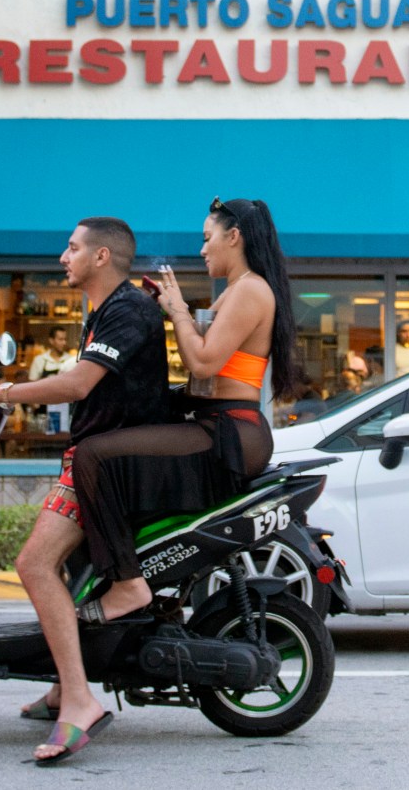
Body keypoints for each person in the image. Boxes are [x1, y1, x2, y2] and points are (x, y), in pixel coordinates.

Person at [0, 218, 170, 765]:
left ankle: (79, 700)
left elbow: (77, 384)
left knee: (33, 565)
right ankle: (62, 684)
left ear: (101, 256)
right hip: (94, 455)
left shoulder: (127, 309)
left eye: (71, 248)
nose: (61, 256)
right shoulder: (102, 309)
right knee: (73, 576)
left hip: (110, 464)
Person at [94, 195, 287, 624]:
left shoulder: (251, 290)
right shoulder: (235, 292)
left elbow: (203, 362)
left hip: (228, 432)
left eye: (207, 238)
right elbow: (202, 373)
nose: (201, 250)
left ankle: (127, 586)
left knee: (95, 456)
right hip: (218, 424)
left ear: (233, 237)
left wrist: (179, 311)